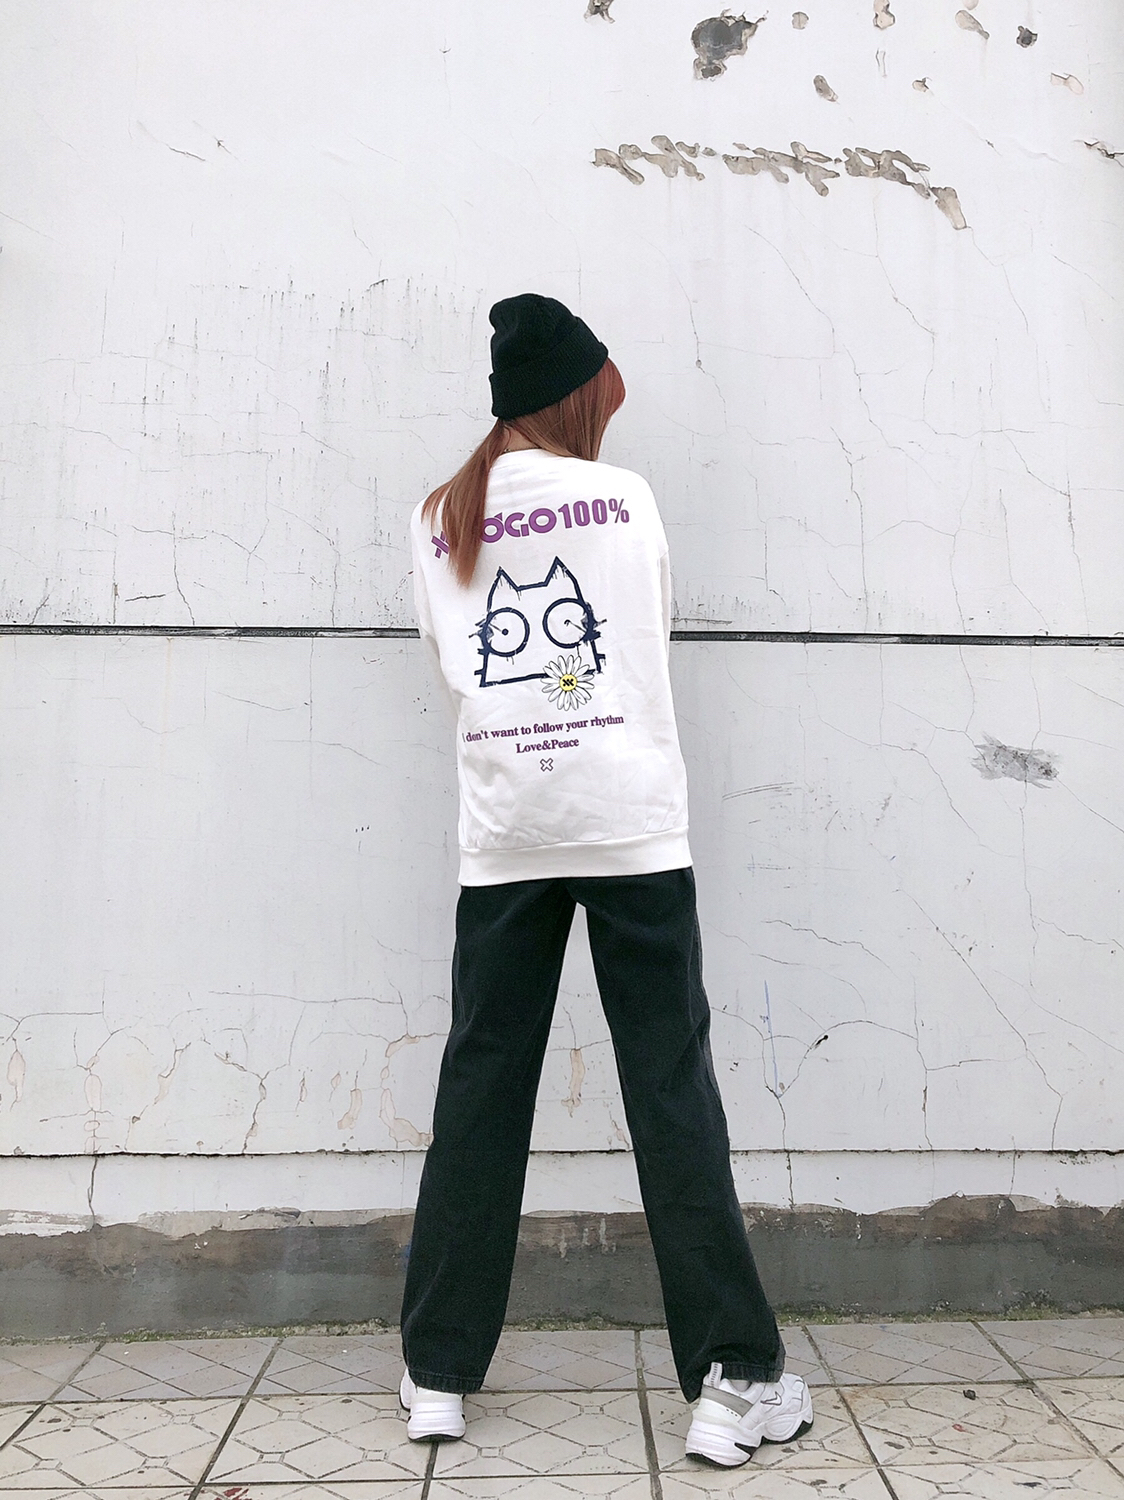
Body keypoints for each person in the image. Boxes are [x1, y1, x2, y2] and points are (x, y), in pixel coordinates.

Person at [399, 293, 812, 1468]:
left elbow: (448, 663)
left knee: (481, 1088)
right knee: (669, 1090)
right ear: (577, 397)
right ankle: (732, 1380)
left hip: (508, 831)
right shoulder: (623, 501)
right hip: (626, 827)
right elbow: (645, 637)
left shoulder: (437, 515)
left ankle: (437, 1374)